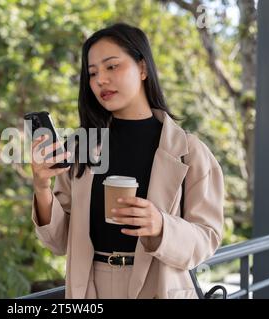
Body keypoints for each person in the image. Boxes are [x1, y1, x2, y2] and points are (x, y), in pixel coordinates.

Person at [30, 23, 224, 299]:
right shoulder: (81, 146)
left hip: (159, 286)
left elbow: (208, 239)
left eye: (112, 67)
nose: (100, 80)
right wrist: (41, 187)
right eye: (92, 73)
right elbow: (58, 241)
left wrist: (161, 225)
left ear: (143, 68)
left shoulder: (190, 150)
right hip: (89, 288)